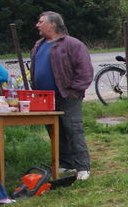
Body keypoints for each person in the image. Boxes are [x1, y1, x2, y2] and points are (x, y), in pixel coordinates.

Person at [29, 12, 93, 180]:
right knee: (55, 131)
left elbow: (85, 71)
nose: (37, 25)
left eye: (41, 22)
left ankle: (82, 167)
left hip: (67, 96)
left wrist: (75, 92)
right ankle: (65, 164)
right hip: (45, 98)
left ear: (53, 24)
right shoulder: (39, 45)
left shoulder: (72, 44)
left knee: (73, 129)